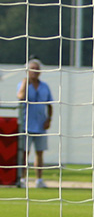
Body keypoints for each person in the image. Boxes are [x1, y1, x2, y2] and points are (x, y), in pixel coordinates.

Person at [16, 58, 53, 188]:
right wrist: (26, 82)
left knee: (40, 153)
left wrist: (49, 119)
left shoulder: (45, 86)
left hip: (40, 125)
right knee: (24, 153)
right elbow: (20, 96)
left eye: (37, 69)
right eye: (33, 69)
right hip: (26, 125)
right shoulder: (23, 83)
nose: (35, 72)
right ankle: (22, 179)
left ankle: (39, 180)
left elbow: (49, 104)